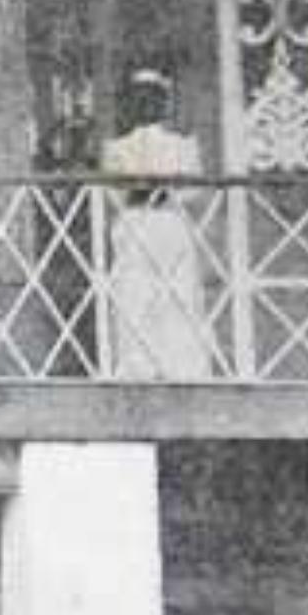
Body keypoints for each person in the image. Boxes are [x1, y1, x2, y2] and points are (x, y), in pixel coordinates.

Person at [99, 67, 209, 380]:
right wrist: (135, 192)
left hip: (169, 222)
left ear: (163, 103)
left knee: (176, 291)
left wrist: (166, 190)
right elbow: (112, 192)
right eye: (139, 98)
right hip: (135, 224)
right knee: (135, 290)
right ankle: (137, 365)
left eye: (153, 98)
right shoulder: (117, 147)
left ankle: (180, 365)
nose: (146, 104)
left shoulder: (183, 145)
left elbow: (195, 189)